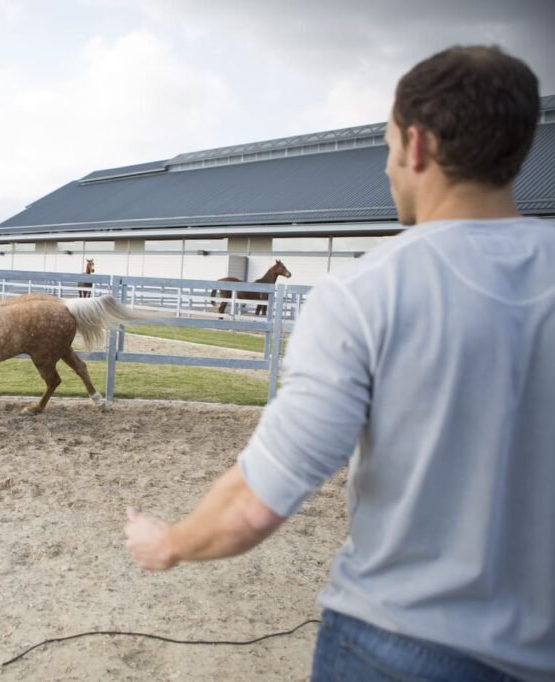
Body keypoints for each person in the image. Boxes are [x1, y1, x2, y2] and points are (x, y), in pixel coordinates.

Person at [124, 45, 554, 682]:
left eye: (385, 147)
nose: (386, 168)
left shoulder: (362, 293)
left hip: (393, 641)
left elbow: (258, 502)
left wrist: (171, 543)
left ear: (416, 146)